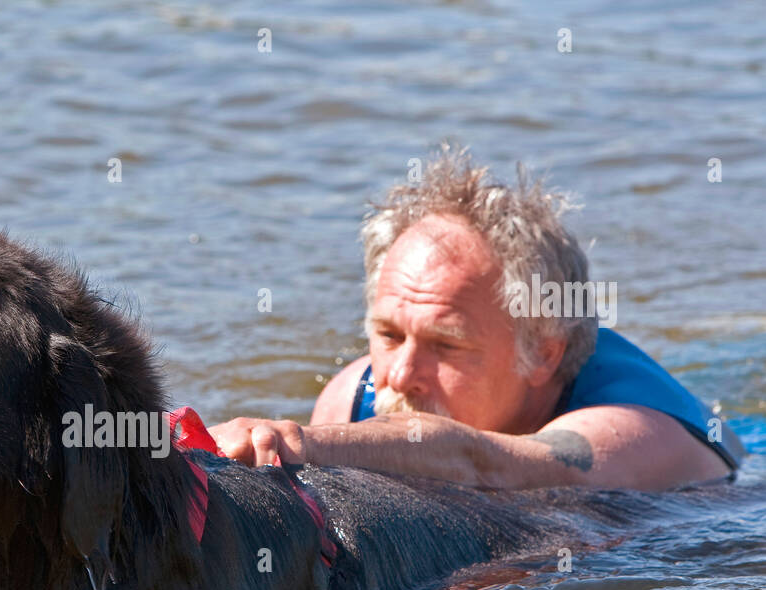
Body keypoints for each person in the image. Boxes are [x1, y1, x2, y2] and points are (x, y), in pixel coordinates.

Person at [208, 146, 744, 491]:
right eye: (389, 335)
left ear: (545, 352)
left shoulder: (632, 431)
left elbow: (483, 464)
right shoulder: (353, 396)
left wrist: (296, 442)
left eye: (446, 344)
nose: (397, 375)